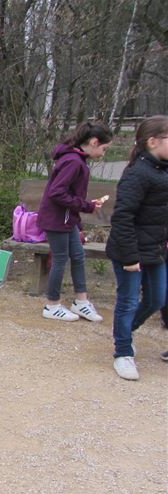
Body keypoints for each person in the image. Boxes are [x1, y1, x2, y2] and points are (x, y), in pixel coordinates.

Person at [105, 115, 168, 381]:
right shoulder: (137, 173)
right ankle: (123, 352)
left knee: (157, 299)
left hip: (155, 249)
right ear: (153, 142)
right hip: (129, 251)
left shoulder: (162, 170)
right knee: (128, 300)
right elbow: (122, 217)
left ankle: (125, 332)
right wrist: (130, 257)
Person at [37, 121, 111, 322]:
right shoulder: (73, 161)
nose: (104, 154)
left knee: (78, 255)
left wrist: (84, 206)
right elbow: (57, 193)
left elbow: (67, 193)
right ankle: (52, 305)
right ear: (94, 142)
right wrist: (86, 206)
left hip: (67, 219)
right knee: (61, 259)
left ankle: (81, 302)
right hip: (57, 220)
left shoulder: (76, 159)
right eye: (104, 149)